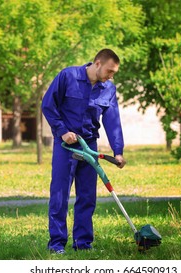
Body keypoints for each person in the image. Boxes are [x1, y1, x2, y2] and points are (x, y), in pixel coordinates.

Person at [42, 48, 126, 254]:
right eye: (109, 71)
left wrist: (118, 151)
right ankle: (56, 244)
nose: (110, 76)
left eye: (113, 73)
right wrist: (62, 131)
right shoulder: (68, 76)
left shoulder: (108, 88)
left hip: (90, 145)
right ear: (97, 63)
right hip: (65, 146)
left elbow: (112, 120)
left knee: (87, 196)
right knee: (60, 194)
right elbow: (48, 105)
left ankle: (83, 243)